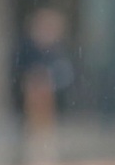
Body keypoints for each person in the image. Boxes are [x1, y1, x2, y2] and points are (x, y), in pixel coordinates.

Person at [16, 8, 74, 146]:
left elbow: (63, 71)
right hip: (35, 88)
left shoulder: (57, 49)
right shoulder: (28, 48)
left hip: (48, 89)